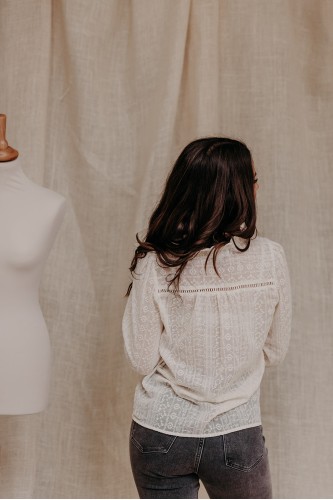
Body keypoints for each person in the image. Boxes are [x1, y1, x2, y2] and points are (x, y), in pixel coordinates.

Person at [122, 137, 292, 499]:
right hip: (237, 431)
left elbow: (141, 358)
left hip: (161, 431)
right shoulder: (270, 258)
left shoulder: (155, 262)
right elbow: (276, 351)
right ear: (241, 192)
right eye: (252, 179)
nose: (258, 186)